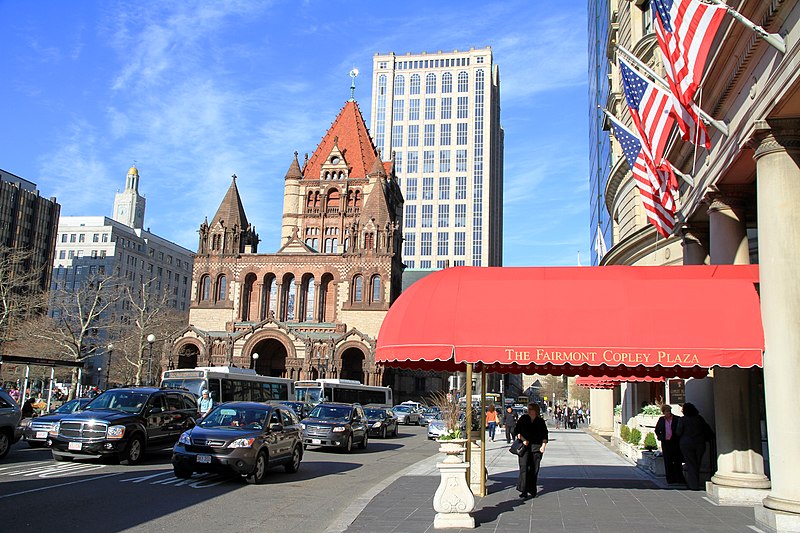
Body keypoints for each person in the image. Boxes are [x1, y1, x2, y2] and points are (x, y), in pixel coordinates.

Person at [514, 403, 548, 499]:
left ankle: (532, 489)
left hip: (536, 448)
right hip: (524, 447)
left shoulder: (540, 421)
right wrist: (523, 440)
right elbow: (516, 431)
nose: (528, 410)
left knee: (534, 469)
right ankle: (523, 490)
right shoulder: (523, 419)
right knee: (524, 468)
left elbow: (545, 434)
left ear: (535, 410)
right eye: (528, 409)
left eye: (530, 409)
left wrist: (543, 445)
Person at [678, 402, 713, 490]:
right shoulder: (699, 419)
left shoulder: (682, 420)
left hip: (686, 444)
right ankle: (695, 482)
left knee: (690, 463)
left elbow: (678, 432)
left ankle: (693, 484)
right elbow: (706, 429)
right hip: (699, 443)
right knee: (697, 463)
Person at [655, 404, 684, 485]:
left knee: (677, 460)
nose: (669, 413)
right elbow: (657, 430)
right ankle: (670, 479)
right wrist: (660, 437)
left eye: (669, 411)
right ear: (663, 412)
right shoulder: (661, 420)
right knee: (668, 461)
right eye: (667, 411)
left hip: (675, 442)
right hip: (666, 442)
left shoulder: (677, 419)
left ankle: (679, 478)